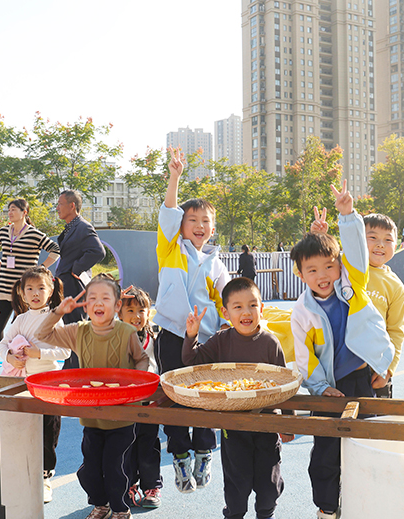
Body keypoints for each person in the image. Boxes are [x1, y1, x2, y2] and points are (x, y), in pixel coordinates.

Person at [290, 180, 394, 519]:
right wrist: (320, 388)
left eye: (329, 267)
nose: (323, 276)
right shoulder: (303, 312)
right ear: (301, 274)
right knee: (326, 449)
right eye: (313, 270)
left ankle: (369, 502)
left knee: (368, 442)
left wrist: (348, 216)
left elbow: (355, 251)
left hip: (362, 376)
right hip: (331, 387)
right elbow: (305, 357)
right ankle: (327, 506)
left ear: (339, 265)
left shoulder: (353, 284)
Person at [36, 274, 149, 519]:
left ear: (117, 305)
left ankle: (120, 508)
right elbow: (42, 335)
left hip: (121, 417)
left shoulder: (126, 332)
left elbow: (142, 359)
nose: (98, 303)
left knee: (113, 466)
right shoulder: (79, 331)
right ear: (85, 305)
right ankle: (100, 504)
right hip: (91, 417)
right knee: (89, 470)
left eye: (105, 298)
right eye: (92, 298)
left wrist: (133, 386)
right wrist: (58, 312)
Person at [154, 147, 230, 494]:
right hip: (172, 332)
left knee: (205, 395)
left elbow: (228, 298)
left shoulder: (216, 262)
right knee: (173, 394)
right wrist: (175, 178)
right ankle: (180, 457)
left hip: (205, 338)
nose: (199, 226)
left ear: (212, 229)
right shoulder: (171, 249)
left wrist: (232, 320)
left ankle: (204, 452)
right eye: (192, 220)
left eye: (205, 222)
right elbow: (169, 211)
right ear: (181, 227)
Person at [183, 277, 287, 519]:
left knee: (268, 483)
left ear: (262, 309)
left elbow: (284, 385)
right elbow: (192, 360)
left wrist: (287, 421)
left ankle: (266, 513)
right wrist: (191, 335)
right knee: (237, 483)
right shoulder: (222, 340)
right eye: (238, 307)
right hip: (233, 424)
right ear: (226, 312)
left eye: (252, 305)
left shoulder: (270, 342)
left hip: (266, 425)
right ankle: (234, 513)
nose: (246, 312)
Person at [310, 212, 404, 399]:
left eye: (388, 240)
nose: (380, 244)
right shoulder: (342, 264)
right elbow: (304, 270)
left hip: (373, 369)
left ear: (396, 244)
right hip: (335, 364)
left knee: (375, 424)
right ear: (359, 239)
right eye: (372, 237)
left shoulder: (395, 286)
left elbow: (396, 330)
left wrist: (388, 369)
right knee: (331, 421)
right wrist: (316, 238)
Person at [0, 267, 70, 502]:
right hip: (24, 384)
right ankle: (23, 474)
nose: (35, 293)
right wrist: (9, 357)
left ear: (50, 291)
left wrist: (39, 353)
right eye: (30, 288)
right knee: (24, 427)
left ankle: (45, 477)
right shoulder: (20, 319)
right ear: (22, 292)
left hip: (49, 384)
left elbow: (66, 351)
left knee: (48, 429)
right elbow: (2, 344)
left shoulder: (54, 319)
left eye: (41, 288)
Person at [0, 199, 60, 353]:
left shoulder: (34, 234)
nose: (9, 213)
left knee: (21, 333)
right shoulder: (4, 232)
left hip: (25, 292)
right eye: (9, 210)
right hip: (4, 289)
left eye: (13, 210)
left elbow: (55, 250)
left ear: (24, 212)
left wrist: (41, 268)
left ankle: (22, 364)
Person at [119, 286, 162, 510]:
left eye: (142, 310)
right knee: (126, 446)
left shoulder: (154, 336)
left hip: (149, 403)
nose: (137, 316)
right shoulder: (115, 336)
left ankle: (151, 486)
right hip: (125, 404)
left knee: (149, 445)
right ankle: (130, 485)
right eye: (131, 311)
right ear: (119, 313)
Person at [55, 189, 107, 368]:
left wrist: (76, 269)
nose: (57, 208)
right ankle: (71, 364)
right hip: (65, 284)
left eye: (60, 204)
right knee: (69, 328)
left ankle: (77, 366)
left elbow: (98, 251)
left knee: (76, 328)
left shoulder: (83, 227)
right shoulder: (71, 227)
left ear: (72, 205)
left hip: (73, 286)